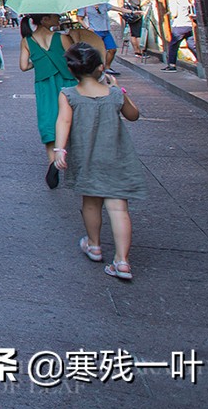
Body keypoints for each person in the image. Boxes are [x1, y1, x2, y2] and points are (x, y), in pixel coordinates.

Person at [53, 43, 145, 281]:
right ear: (101, 68)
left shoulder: (68, 94)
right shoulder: (114, 93)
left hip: (86, 158)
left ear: (72, 71)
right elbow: (134, 115)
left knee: (91, 204)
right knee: (119, 208)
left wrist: (60, 149)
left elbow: (63, 122)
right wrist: (120, 90)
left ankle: (94, 246)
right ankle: (122, 261)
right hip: (116, 158)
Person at [18, 14, 75, 189]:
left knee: (49, 122)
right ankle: (72, 161)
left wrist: (39, 60)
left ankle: (53, 163)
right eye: (53, 16)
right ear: (44, 20)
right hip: (66, 83)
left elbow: (23, 66)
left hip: (44, 86)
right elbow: (74, 60)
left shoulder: (27, 41)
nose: (58, 18)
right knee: (70, 121)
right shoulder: (62, 38)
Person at [76, 0, 119, 75]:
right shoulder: (85, 6)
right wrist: (87, 28)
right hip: (95, 31)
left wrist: (132, 12)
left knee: (112, 49)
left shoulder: (104, 5)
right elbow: (79, 19)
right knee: (98, 51)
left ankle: (107, 67)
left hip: (106, 30)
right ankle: (96, 68)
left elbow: (118, 9)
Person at [163, 0, 196, 72]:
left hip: (179, 25)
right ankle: (201, 62)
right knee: (191, 44)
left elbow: (174, 13)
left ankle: (172, 65)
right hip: (188, 25)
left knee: (173, 45)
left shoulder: (175, 0)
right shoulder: (187, 0)